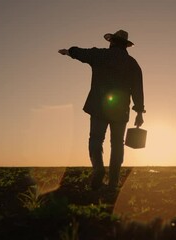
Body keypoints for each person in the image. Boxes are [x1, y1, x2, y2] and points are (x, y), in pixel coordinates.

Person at [58, 30, 145, 190]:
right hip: (121, 110)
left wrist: (69, 52)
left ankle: (98, 169)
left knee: (96, 139)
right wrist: (139, 112)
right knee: (117, 144)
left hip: (99, 106)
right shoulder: (132, 64)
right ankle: (113, 183)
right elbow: (138, 89)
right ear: (125, 45)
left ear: (112, 42)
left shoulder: (101, 55)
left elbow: (83, 53)